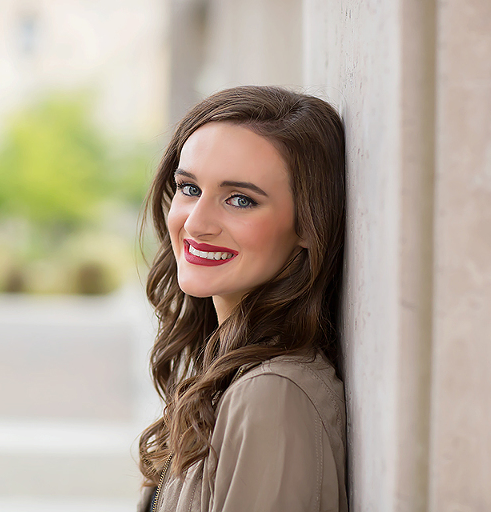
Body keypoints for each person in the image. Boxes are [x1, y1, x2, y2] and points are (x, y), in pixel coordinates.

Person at [136, 85, 348, 512]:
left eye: (239, 199)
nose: (196, 224)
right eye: (190, 189)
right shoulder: (229, 373)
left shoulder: (272, 397)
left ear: (309, 223)